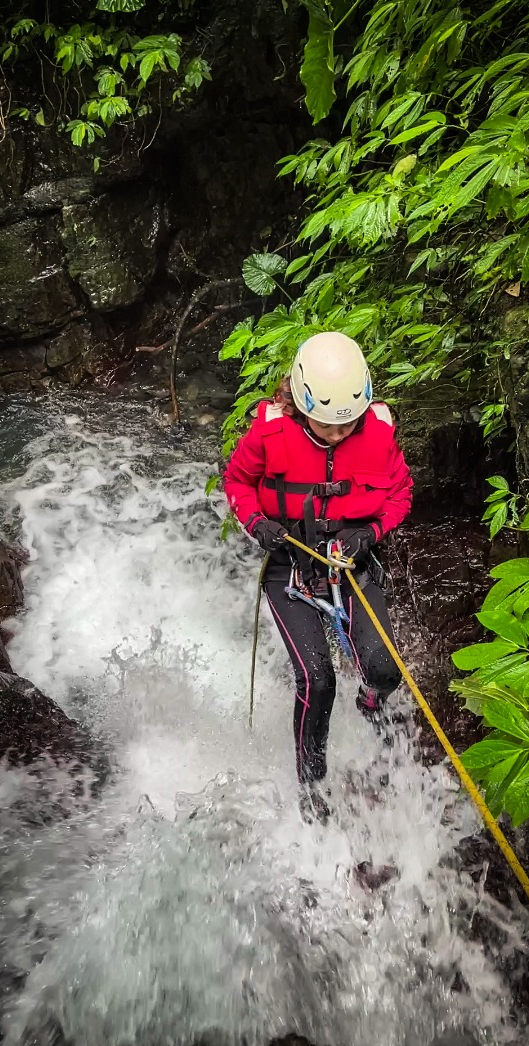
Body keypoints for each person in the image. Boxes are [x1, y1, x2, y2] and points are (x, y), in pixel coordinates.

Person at [223, 331, 413, 822]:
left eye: (348, 423)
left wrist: (369, 533)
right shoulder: (268, 434)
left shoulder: (377, 436)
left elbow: (399, 494)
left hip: (350, 557)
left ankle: (372, 703)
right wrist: (256, 522)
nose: (338, 433)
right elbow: (238, 480)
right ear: (301, 404)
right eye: (327, 425)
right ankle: (312, 785)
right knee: (317, 679)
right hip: (290, 562)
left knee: (385, 668)